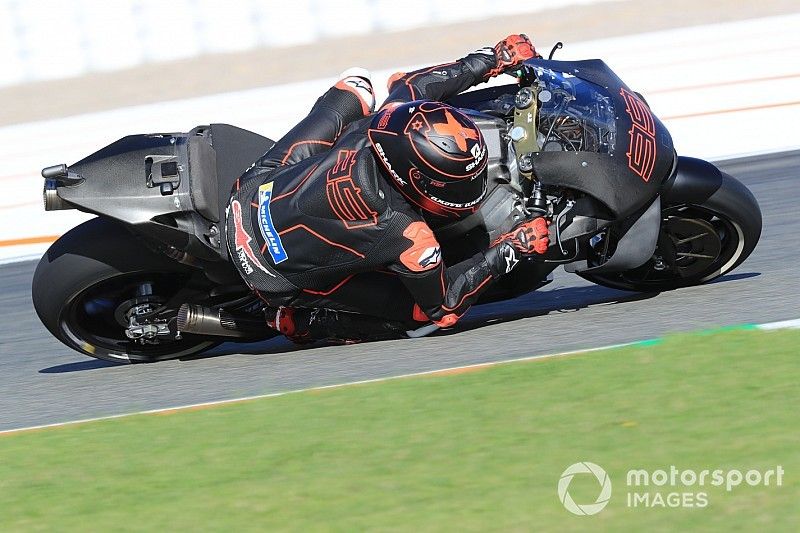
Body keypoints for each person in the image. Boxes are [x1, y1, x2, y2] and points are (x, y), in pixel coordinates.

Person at [226, 34, 550, 343]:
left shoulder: (386, 120)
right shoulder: (410, 236)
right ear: (417, 179)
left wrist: (491, 59)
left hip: (248, 196)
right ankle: (305, 322)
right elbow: (446, 308)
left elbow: (413, 84)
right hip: (270, 275)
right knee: (419, 312)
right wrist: (514, 246)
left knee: (355, 86)